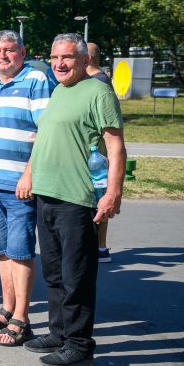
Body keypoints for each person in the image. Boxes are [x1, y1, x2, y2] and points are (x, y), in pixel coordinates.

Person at [20, 33, 125, 366]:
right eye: (54, 57)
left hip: (77, 198)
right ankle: (59, 333)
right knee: (53, 274)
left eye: (66, 57)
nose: (59, 64)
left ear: (84, 60)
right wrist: (29, 175)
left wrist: (113, 193)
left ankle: (79, 344)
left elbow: (116, 147)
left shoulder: (98, 91)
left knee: (76, 276)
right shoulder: (59, 90)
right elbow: (45, 138)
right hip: (47, 194)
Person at [0, 30, 54, 347]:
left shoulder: (36, 80)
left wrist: (29, 175)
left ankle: (22, 318)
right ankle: (7, 309)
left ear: (23, 52)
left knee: (20, 252)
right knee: (2, 251)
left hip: (19, 185)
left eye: (9, 49)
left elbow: (46, 132)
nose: (3, 56)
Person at [86, 41, 115, 262]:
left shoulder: (97, 83)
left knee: (97, 198)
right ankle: (100, 247)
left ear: (86, 58)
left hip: (97, 155)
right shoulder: (101, 79)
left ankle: (99, 247)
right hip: (98, 154)